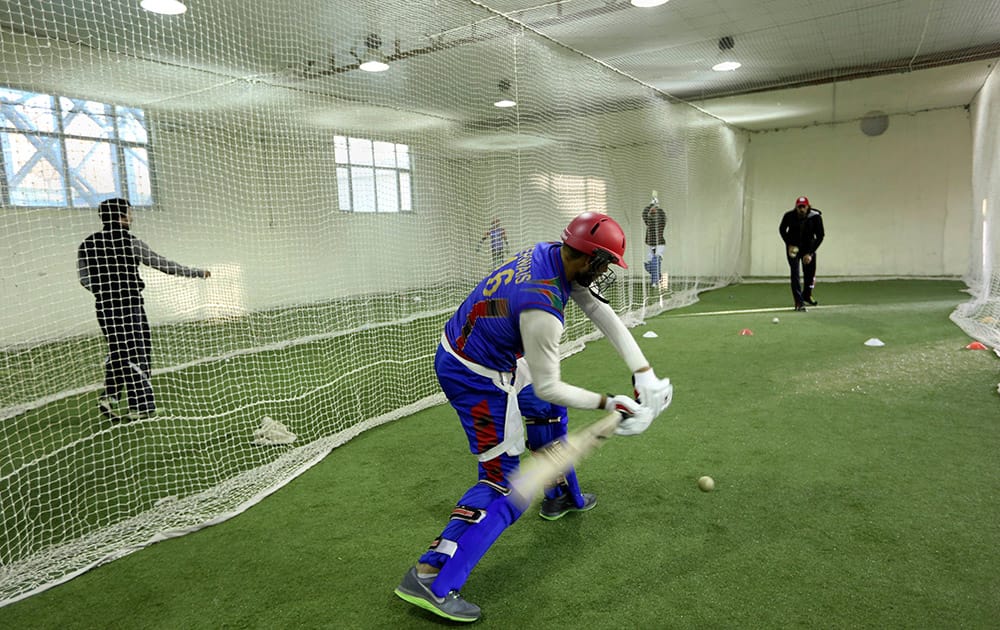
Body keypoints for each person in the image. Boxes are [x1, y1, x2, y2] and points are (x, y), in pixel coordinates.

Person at [394, 211, 674, 623]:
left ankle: (560, 496)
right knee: (501, 481)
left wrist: (643, 371)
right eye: (604, 265)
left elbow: (598, 311)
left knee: (545, 413)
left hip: (495, 351)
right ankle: (431, 576)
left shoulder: (554, 253)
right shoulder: (542, 308)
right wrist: (609, 403)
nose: (604, 274)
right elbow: (549, 385)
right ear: (588, 260)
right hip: (473, 373)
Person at [77, 198, 211, 421]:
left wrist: (104, 292)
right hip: (129, 304)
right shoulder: (130, 242)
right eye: (129, 212)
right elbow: (163, 264)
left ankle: (110, 396)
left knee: (118, 350)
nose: (132, 215)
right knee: (138, 352)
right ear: (121, 216)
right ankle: (141, 407)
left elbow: (84, 279)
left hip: (103, 306)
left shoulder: (87, 244)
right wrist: (196, 272)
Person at [779, 195, 825, 311]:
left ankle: (807, 295)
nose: (801, 209)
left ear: (808, 206)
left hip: (808, 248)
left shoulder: (815, 217)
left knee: (810, 274)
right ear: (796, 207)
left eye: (803, 207)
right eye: (799, 207)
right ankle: (799, 302)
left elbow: (820, 236)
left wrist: (810, 253)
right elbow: (782, 229)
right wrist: (789, 244)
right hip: (793, 248)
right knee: (795, 273)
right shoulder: (789, 216)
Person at [641, 197, 667, 288]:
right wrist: (651, 205)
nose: (653, 210)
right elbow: (644, 214)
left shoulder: (661, 221)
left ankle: (654, 282)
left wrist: (656, 206)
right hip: (650, 243)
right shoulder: (649, 222)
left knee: (656, 261)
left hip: (659, 243)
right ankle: (658, 277)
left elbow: (663, 216)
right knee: (649, 264)